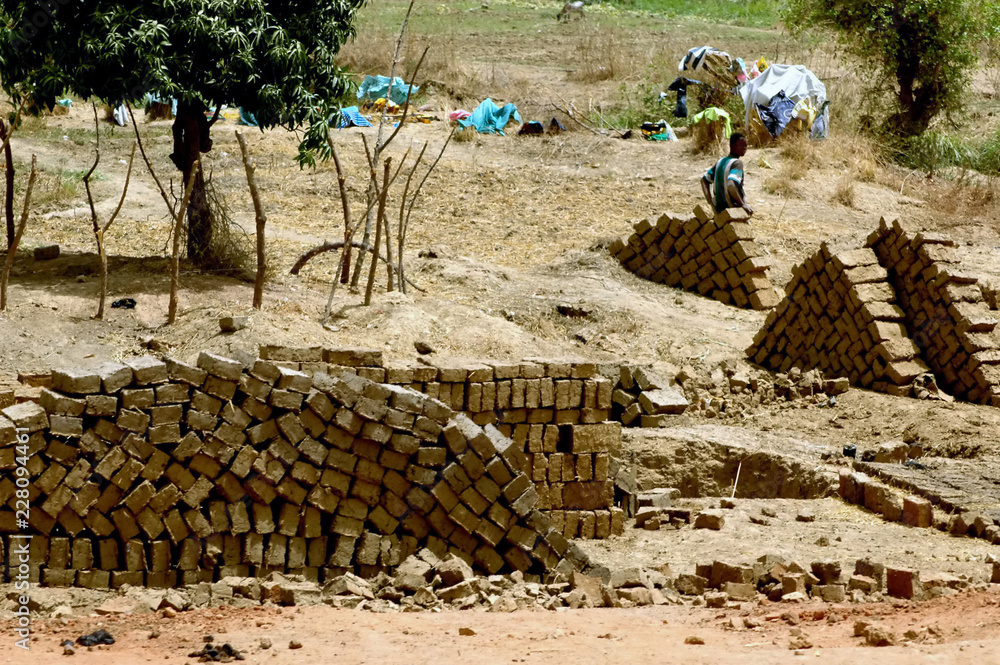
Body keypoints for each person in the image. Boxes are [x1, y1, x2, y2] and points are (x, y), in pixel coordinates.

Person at [701, 132, 753, 216]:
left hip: (718, 211)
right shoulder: (737, 163)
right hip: (732, 212)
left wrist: (710, 202)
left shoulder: (721, 161)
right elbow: (731, 185)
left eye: (746, 145)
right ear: (732, 146)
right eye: (741, 145)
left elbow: (704, 180)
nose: (745, 148)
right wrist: (742, 204)